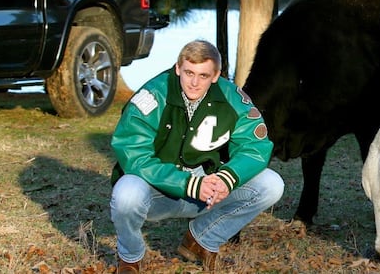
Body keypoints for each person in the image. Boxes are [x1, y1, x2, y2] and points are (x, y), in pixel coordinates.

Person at [110, 39, 284, 273]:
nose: (194, 82)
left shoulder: (232, 97)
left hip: (209, 189)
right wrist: (188, 184)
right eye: (189, 72)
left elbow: (255, 145)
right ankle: (130, 257)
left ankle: (201, 239)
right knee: (126, 193)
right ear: (178, 68)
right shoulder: (152, 95)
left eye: (203, 76)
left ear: (215, 76)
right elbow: (134, 153)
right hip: (158, 190)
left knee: (271, 184)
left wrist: (226, 178)